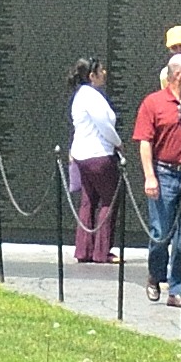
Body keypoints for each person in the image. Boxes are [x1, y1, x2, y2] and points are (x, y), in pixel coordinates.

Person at [130, 44, 181, 303]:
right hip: (164, 173)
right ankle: (155, 276)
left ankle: (178, 290)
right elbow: (145, 141)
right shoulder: (153, 103)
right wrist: (150, 176)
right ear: (177, 75)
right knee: (161, 233)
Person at [64, 59, 121, 266]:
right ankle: (102, 251)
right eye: (101, 70)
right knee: (109, 200)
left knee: (88, 201)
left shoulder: (79, 96)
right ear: (92, 76)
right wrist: (118, 142)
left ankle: (84, 249)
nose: (104, 73)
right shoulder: (92, 97)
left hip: (82, 156)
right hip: (99, 155)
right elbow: (104, 125)